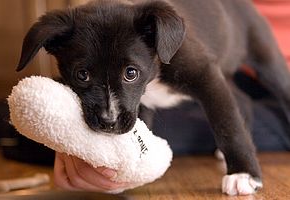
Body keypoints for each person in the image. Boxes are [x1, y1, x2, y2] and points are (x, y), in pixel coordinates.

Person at [54, 1, 290, 192]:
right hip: (170, 88)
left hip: (242, 26)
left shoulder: (172, 47)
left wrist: (241, 163)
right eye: (83, 74)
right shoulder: (122, 34)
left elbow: (213, 85)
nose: (109, 113)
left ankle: (249, 156)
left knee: (282, 83)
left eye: (130, 73)